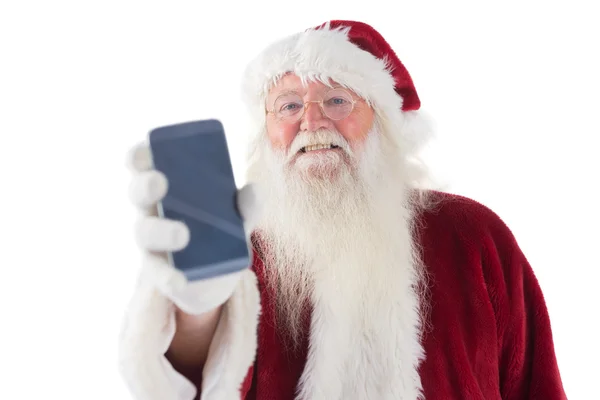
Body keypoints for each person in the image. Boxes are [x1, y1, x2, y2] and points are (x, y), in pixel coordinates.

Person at [118, 20, 567, 400]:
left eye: (337, 100)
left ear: (386, 124)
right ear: (267, 130)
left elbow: (535, 383)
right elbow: (201, 386)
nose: (311, 122)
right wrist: (197, 310)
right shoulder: (244, 250)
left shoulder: (473, 235)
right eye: (289, 105)